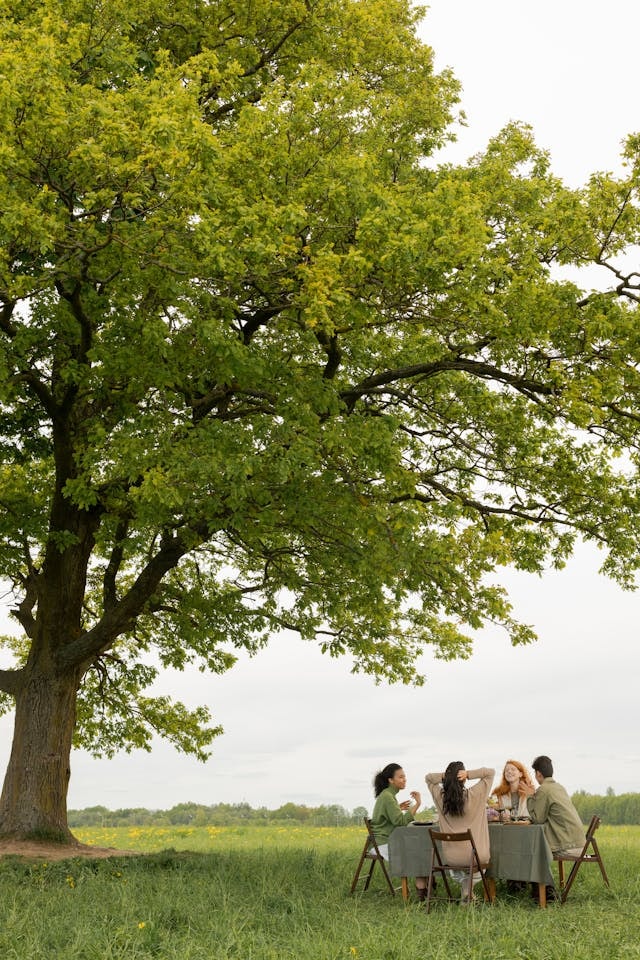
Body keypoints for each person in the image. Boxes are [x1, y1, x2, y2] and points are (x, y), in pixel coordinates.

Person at [425, 763, 495, 903]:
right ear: (462, 778)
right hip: (475, 857)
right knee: (482, 862)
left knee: (460, 866)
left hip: (451, 858)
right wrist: (469, 774)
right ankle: (467, 891)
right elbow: (490, 773)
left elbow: (428, 778)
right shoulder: (475, 795)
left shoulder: (440, 797)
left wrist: (447, 776)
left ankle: (466, 891)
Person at [371, 762, 427, 898]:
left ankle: (426, 886)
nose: (404, 779)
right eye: (401, 777)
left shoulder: (388, 796)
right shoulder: (387, 797)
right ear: (390, 780)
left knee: (421, 847)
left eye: (405, 777)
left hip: (388, 840)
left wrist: (398, 807)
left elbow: (391, 817)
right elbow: (400, 822)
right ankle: (423, 889)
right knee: (417, 852)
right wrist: (418, 804)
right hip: (383, 843)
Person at [520, 755, 585, 855]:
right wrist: (533, 795)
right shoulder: (559, 787)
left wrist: (529, 796)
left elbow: (538, 819)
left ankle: (533, 871)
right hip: (580, 843)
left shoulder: (544, 789)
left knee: (531, 850)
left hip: (569, 846)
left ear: (538, 773)